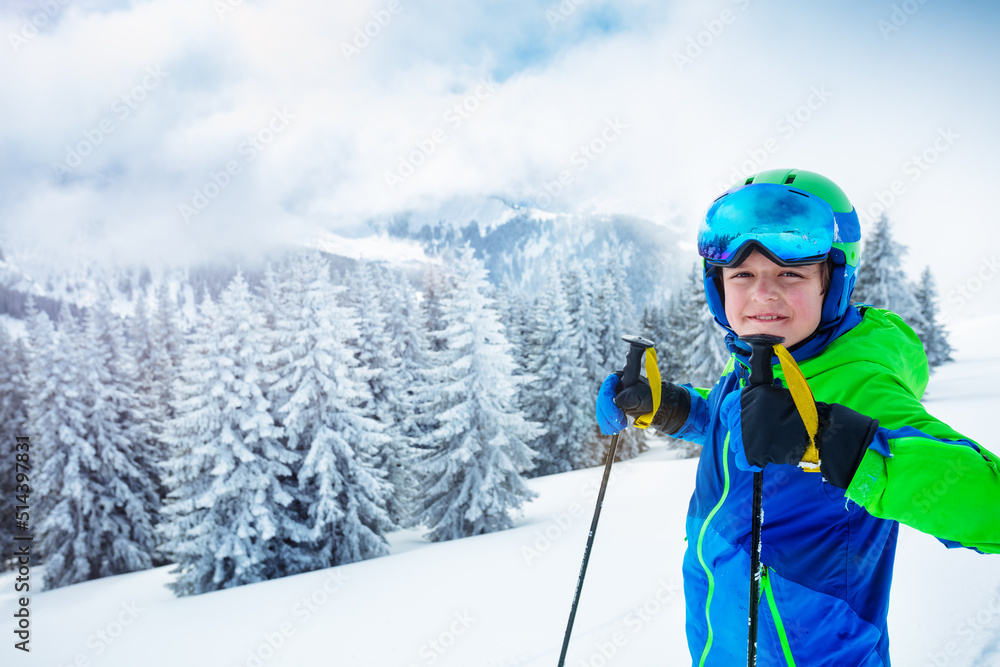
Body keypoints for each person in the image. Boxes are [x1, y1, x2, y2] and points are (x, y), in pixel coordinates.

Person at [594, 168, 1000, 666]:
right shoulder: (764, 355)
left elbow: (989, 505)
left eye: (791, 273)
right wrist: (671, 407)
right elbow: (746, 431)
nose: (763, 295)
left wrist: (833, 444)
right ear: (716, 286)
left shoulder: (859, 383)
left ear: (834, 280)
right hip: (722, 642)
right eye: (742, 275)